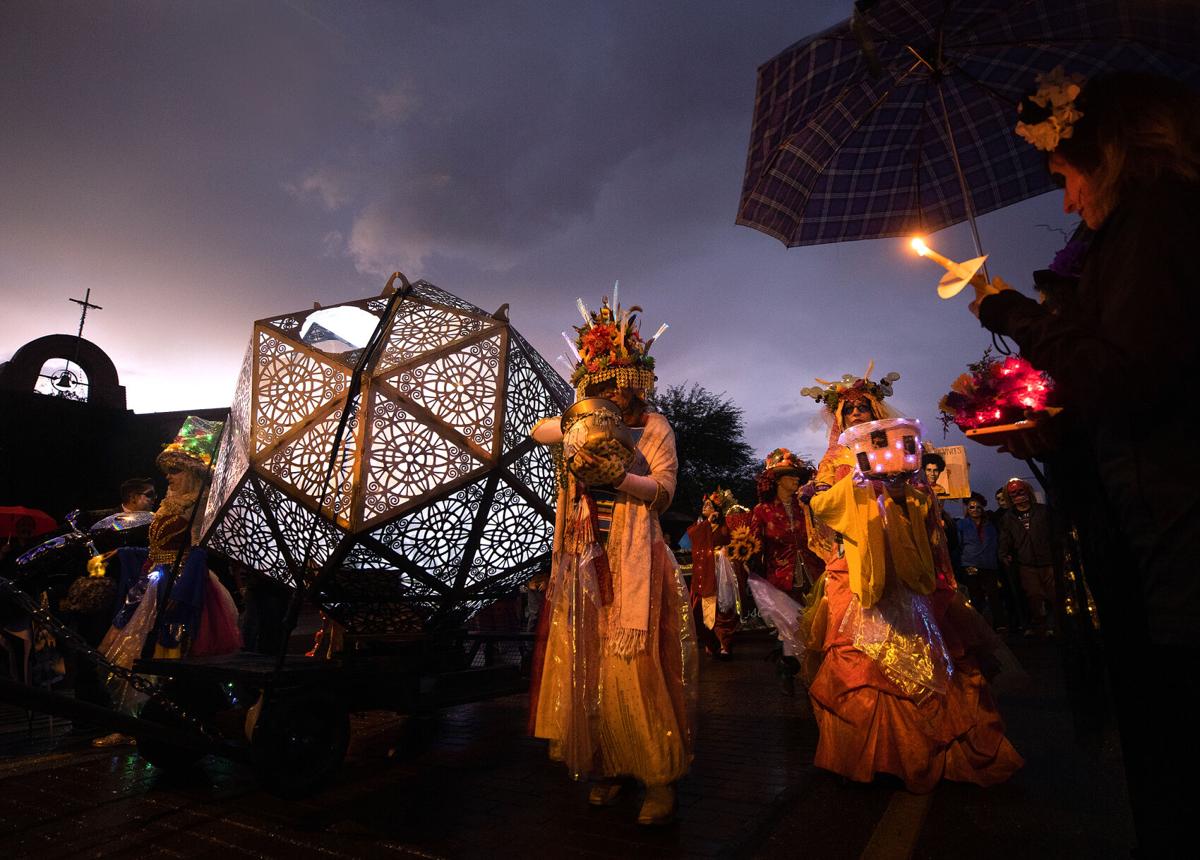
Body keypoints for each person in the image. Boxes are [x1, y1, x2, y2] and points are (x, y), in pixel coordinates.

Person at [971, 68, 1200, 854]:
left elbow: (1126, 377)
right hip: (1151, 522)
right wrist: (1052, 429)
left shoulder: (1157, 223)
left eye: (1066, 176)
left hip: (1177, 527)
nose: (1067, 202)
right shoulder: (1133, 232)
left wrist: (1015, 314)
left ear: (1107, 153)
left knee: (1176, 745)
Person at [797, 368, 1021, 793]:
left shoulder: (903, 448)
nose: (857, 413)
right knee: (858, 659)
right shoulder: (833, 460)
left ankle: (938, 752)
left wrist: (900, 492)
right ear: (839, 418)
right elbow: (822, 506)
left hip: (908, 565)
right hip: (858, 567)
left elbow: (925, 503)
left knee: (934, 649)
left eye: (864, 407)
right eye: (849, 409)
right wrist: (854, 486)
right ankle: (872, 757)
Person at [529, 295, 695, 826]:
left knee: (634, 667)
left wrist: (618, 477)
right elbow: (539, 431)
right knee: (590, 665)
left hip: (633, 558)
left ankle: (658, 775)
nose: (614, 392)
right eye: (603, 383)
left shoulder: (655, 428)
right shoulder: (579, 423)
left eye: (621, 383)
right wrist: (582, 422)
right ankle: (612, 765)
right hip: (583, 558)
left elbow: (663, 492)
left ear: (638, 384)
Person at [92, 416, 241, 745]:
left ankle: (171, 722)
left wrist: (182, 591)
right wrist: (125, 553)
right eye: (169, 471)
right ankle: (132, 722)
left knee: (172, 656)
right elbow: (158, 549)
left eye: (176, 471)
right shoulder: (169, 504)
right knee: (140, 653)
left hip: (182, 586)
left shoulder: (200, 506)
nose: (169, 477)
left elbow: (198, 552)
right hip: (153, 586)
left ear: (193, 474)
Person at [748, 448, 823, 694]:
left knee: (811, 623)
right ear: (777, 480)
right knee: (790, 625)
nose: (796, 479)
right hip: (780, 577)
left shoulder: (806, 508)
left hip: (811, 573)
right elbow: (752, 545)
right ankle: (789, 667)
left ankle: (806, 671)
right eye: (790, 475)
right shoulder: (762, 510)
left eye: (797, 475)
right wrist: (749, 561)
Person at [997, 478, 1059, 638]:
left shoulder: (1043, 511)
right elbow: (1005, 538)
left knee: (1054, 595)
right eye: (1013, 494)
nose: (1018, 496)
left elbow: (1055, 532)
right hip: (1026, 563)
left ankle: (1054, 625)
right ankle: (1041, 625)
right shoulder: (1008, 517)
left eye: (1021, 491)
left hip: (1048, 560)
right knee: (1034, 596)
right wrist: (1003, 554)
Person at [686, 489, 740, 659]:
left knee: (723, 607)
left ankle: (725, 644)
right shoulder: (699, 526)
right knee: (701, 608)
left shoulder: (725, 526)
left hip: (722, 571)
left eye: (709, 505)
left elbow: (737, 542)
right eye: (704, 504)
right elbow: (692, 536)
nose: (705, 506)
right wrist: (707, 523)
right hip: (704, 571)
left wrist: (727, 551)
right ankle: (711, 643)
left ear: (718, 509)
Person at [956, 492, 1007, 631]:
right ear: (967, 508)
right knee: (975, 595)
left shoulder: (990, 525)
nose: (975, 510)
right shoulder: (961, 524)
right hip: (970, 563)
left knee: (993, 594)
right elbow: (959, 544)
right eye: (971, 507)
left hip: (989, 563)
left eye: (978, 507)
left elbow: (995, 542)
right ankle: (978, 625)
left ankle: (999, 623)